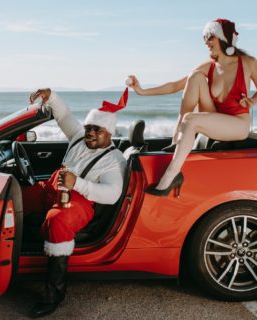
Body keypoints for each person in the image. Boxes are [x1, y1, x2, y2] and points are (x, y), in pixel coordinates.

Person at [26, 87, 127, 317]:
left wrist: (78, 183)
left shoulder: (114, 160)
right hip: (52, 190)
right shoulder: (80, 137)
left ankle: (54, 295)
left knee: (58, 220)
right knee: (15, 196)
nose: (90, 133)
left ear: (109, 132)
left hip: (81, 203)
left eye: (97, 130)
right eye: (89, 127)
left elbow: (112, 194)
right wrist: (50, 96)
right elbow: (64, 116)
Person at [128, 18, 257, 196]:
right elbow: (175, 86)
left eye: (210, 37)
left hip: (238, 124)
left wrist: (253, 100)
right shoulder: (208, 66)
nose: (206, 42)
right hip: (215, 119)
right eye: (205, 37)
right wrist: (141, 91)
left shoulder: (247, 62)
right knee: (194, 77)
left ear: (223, 37)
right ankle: (176, 142)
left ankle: (171, 175)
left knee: (191, 119)